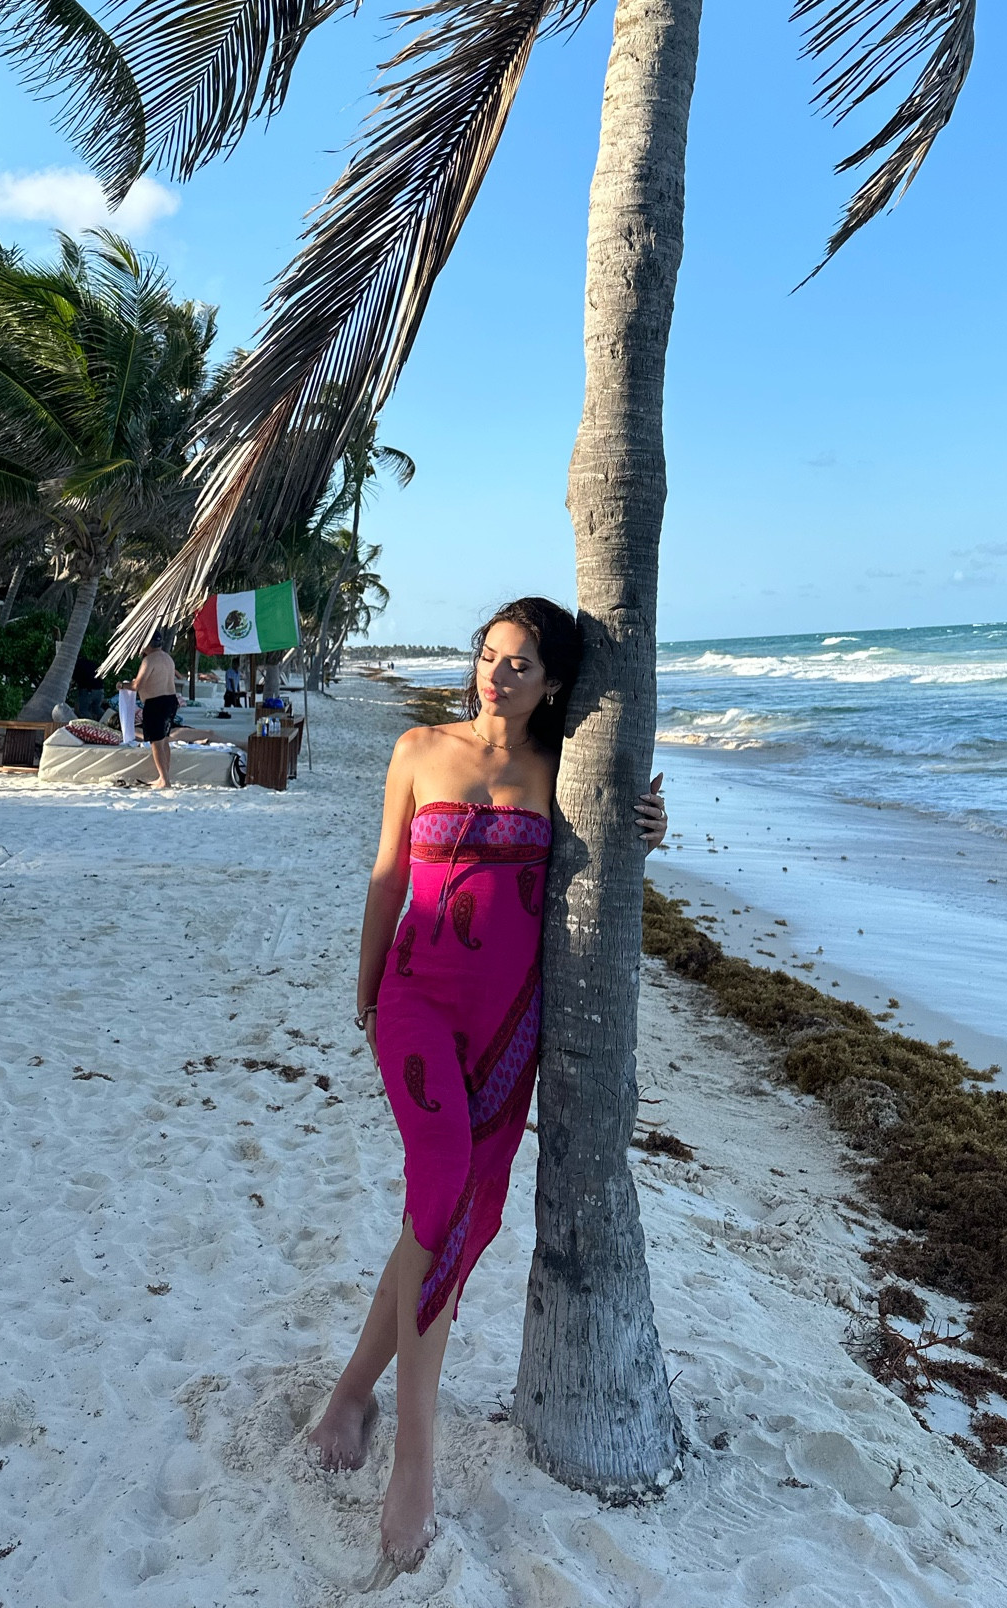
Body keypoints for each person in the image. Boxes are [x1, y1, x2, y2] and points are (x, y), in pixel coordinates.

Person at [306, 597, 667, 1571]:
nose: (496, 674)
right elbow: (389, 873)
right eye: (490, 655)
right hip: (419, 1003)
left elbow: (605, 863)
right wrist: (367, 985)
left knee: (451, 1219)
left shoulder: (562, 774)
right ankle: (415, 1461)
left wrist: (648, 821)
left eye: (519, 664)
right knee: (440, 1189)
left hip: (512, 1032)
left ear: (554, 682)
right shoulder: (419, 747)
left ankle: (351, 1393)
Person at [121, 633, 180, 787]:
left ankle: (164, 780)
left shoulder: (149, 660)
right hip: (170, 701)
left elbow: (136, 686)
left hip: (157, 703)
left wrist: (121, 685)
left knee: (157, 743)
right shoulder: (167, 658)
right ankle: (164, 776)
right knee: (164, 740)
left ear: (146, 645)